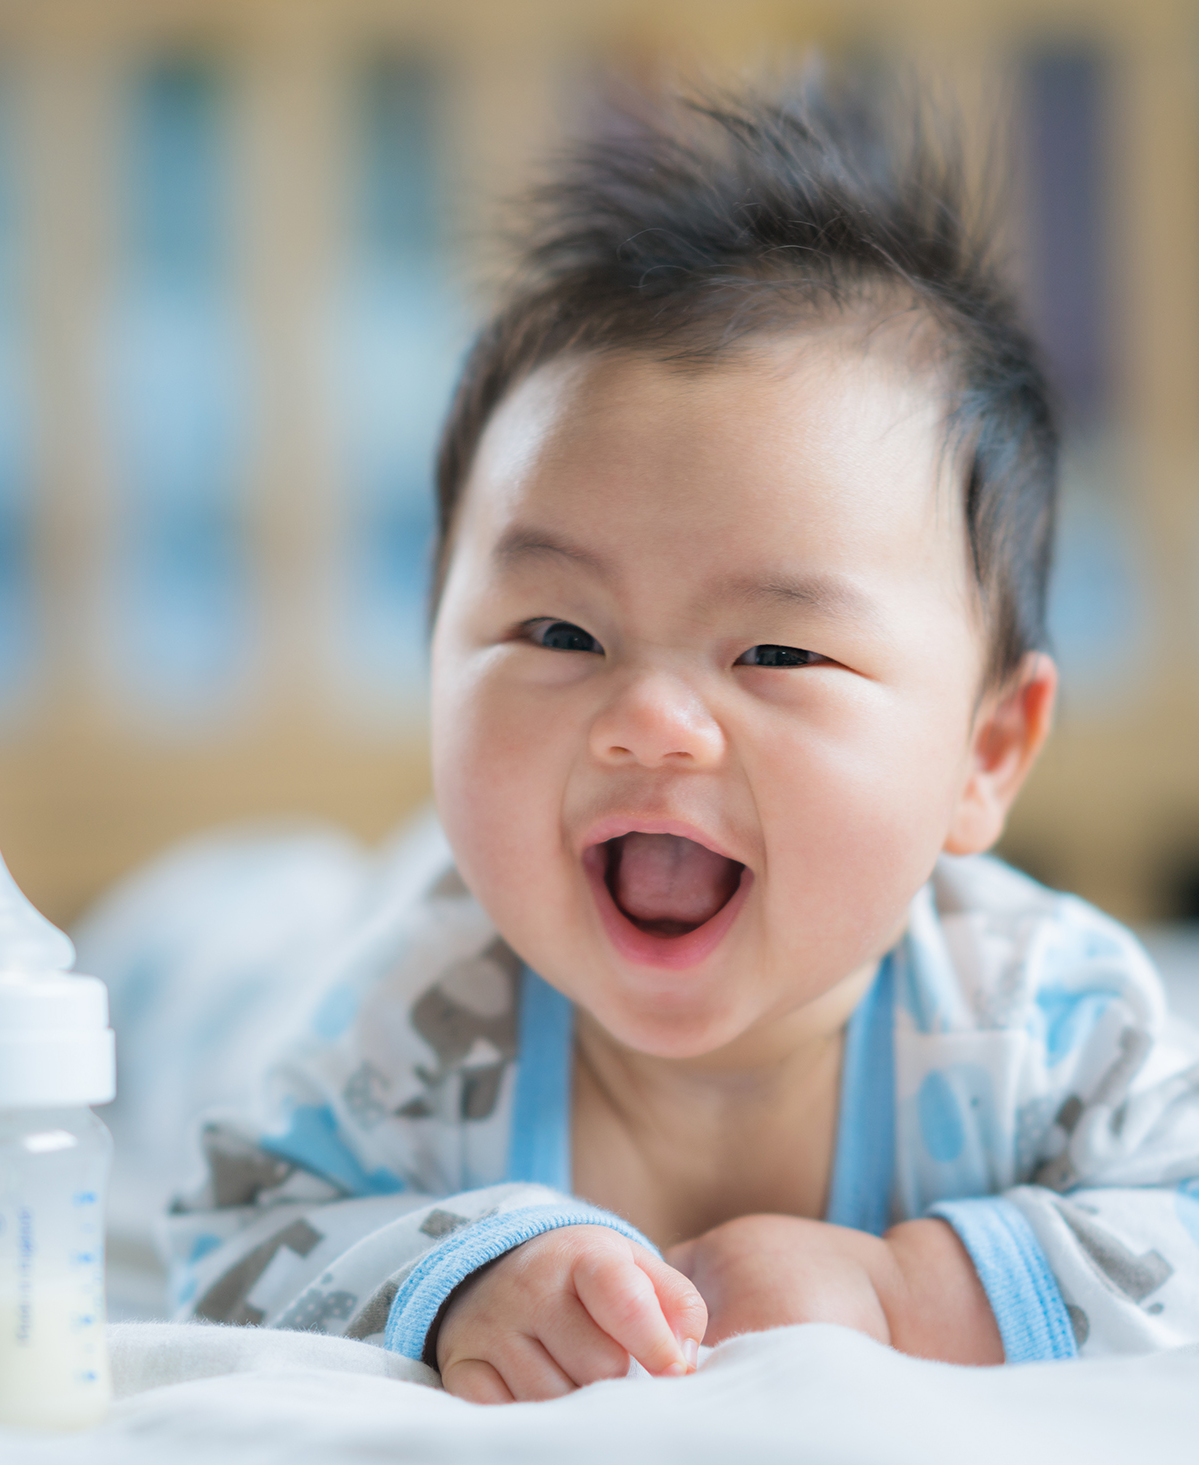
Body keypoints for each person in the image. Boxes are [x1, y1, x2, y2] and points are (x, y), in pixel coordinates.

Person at [165, 74, 1199, 1402]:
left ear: (986, 751)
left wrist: (909, 1289)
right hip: (275, 952)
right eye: (558, 633)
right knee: (210, 964)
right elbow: (223, 1233)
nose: (649, 720)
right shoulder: (416, 1021)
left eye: (776, 651)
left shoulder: (1030, 1024)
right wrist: (462, 1273)